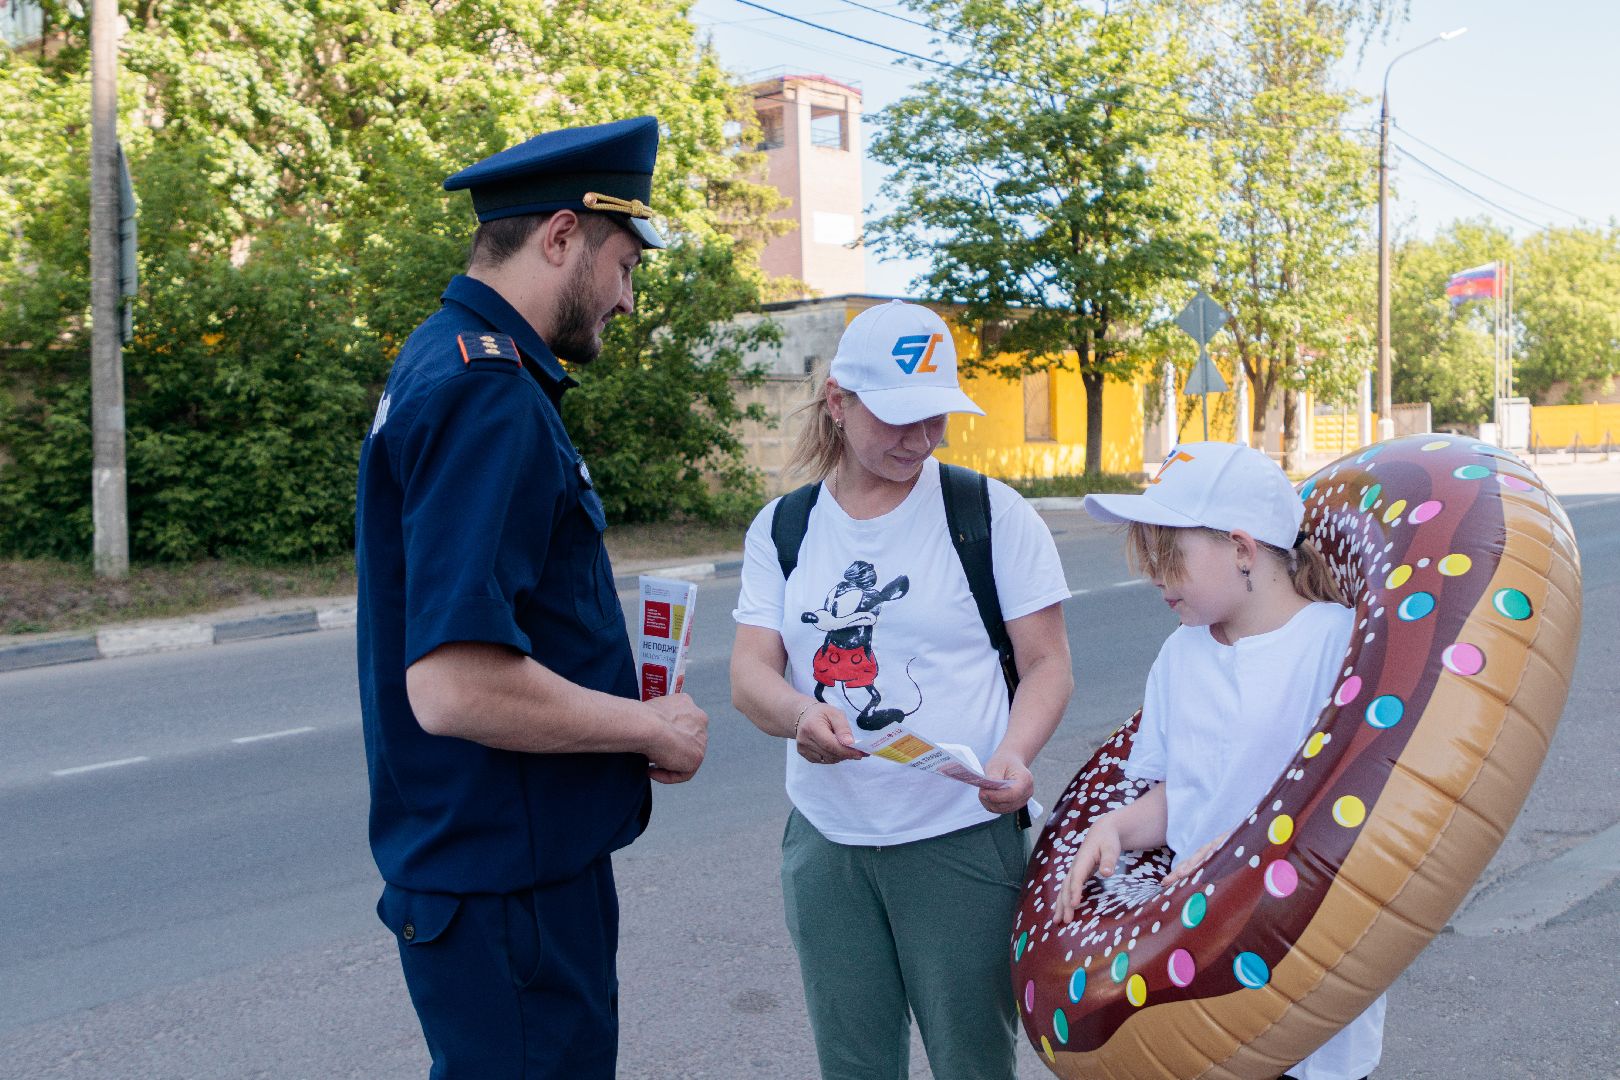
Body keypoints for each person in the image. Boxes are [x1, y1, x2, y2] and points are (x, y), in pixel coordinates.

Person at [353, 115, 709, 1080]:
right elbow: (457, 685)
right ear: (561, 237)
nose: (629, 299)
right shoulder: (488, 393)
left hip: (491, 880)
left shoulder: (446, 357)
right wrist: (647, 732)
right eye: (626, 264)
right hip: (512, 895)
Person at [729, 300, 1075, 1080]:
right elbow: (751, 674)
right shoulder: (782, 529)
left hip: (960, 836)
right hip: (828, 844)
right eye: (896, 419)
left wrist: (1015, 757)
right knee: (854, 1064)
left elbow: (1048, 664)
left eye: (935, 418)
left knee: (973, 1062)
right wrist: (799, 716)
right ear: (838, 402)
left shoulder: (989, 515)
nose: (919, 440)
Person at [1055, 440, 1385, 1080]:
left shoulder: (1336, 644)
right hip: (1202, 963)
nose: (1153, 575)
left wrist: (1241, 855)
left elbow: (1357, 797)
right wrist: (1116, 829)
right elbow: (1188, 793)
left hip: (1308, 956)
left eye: (1166, 554)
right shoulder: (1179, 657)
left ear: (1241, 548)